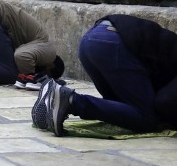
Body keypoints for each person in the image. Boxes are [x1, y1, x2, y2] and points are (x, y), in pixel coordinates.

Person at [32, 15, 177, 136]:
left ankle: (52, 102)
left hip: (92, 40)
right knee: (148, 119)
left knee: (123, 112)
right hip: (113, 45)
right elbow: (164, 101)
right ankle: (71, 101)